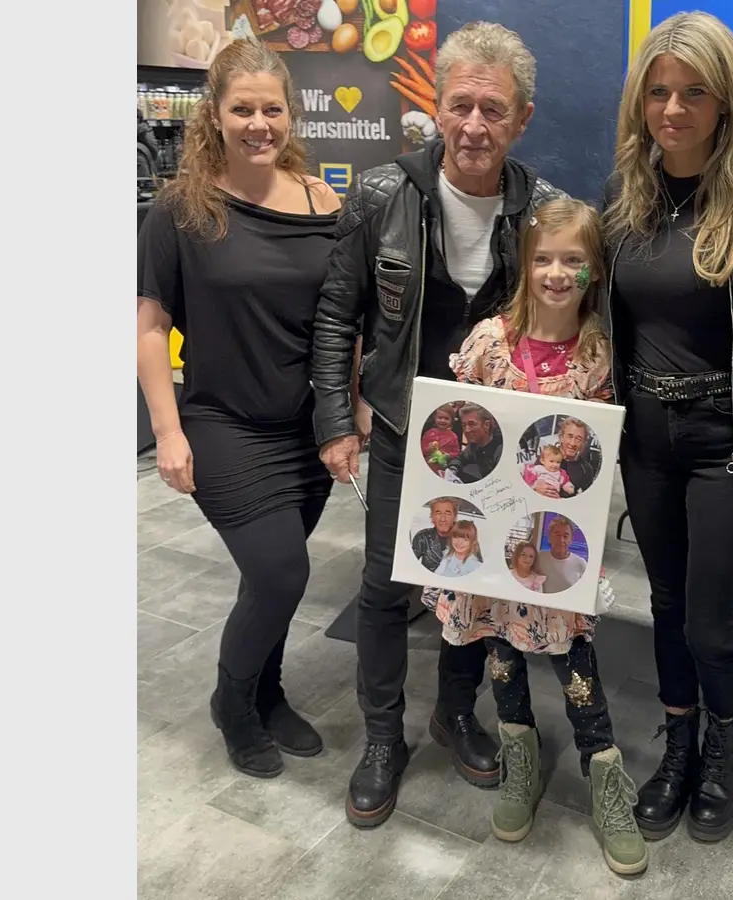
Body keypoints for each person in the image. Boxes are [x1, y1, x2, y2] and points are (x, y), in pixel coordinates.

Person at [308, 21, 567, 828]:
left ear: (522, 117)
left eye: (494, 108)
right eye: (461, 105)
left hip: (492, 440)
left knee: (471, 585)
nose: (474, 126)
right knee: (386, 589)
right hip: (398, 424)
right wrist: (331, 419)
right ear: (438, 106)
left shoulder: (542, 212)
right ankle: (383, 738)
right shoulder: (384, 195)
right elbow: (334, 316)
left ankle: (457, 714)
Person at [602, 12, 733, 845]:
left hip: (726, 444)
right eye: (658, 91)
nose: (674, 108)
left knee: (710, 621)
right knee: (663, 603)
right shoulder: (625, 204)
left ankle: (720, 751)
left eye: (694, 91)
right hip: (646, 441)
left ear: (725, 102)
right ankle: (679, 745)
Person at [136, 41, 344, 779]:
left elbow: (340, 321)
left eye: (272, 109)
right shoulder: (182, 208)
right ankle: (231, 702)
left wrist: (348, 414)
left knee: (269, 581)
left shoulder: (326, 204)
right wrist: (167, 431)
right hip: (221, 424)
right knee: (283, 573)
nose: (259, 123)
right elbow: (149, 324)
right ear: (215, 116)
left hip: (305, 431)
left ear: (291, 113)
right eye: (242, 109)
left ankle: (269, 692)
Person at [424, 198, 646, 875]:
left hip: (555, 552)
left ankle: (605, 776)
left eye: (573, 261)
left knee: (576, 661)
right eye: (543, 258)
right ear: (524, 265)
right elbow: (449, 434)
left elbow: (595, 459)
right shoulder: (490, 342)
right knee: (501, 656)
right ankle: (520, 757)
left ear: (594, 272)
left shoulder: (598, 357)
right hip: (492, 547)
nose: (556, 272)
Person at [443, 403, 502, 483]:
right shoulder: (474, 445)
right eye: (464, 425)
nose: (467, 430)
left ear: (486, 425)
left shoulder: (500, 450)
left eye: (472, 424)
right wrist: (451, 471)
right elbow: (460, 458)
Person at [533, 515, 587, 594]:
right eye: (557, 534)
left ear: (571, 540)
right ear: (549, 537)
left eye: (565, 536)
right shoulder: (538, 558)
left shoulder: (581, 564)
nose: (561, 540)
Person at [411, 497, 459, 571]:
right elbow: (409, 566)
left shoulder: (466, 538)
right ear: (432, 517)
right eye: (438, 513)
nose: (443, 519)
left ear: (455, 517)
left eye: (447, 513)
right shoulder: (423, 537)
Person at [421, 407, 461, 474]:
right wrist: (428, 449)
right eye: (440, 417)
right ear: (435, 418)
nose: (443, 420)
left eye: (446, 418)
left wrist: (448, 455)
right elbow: (421, 450)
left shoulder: (453, 436)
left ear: (452, 420)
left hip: (444, 467)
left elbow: (457, 452)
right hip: (428, 465)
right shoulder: (429, 433)